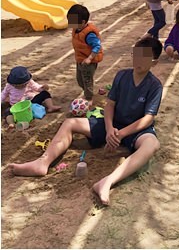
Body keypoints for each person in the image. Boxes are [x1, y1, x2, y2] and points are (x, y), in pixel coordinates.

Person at [9, 38, 165, 207]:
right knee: (70, 123)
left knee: (152, 144)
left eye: (145, 57)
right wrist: (110, 129)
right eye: (136, 55)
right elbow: (110, 105)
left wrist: (121, 134)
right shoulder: (122, 75)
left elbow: (148, 118)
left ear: (154, 62)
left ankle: (107, 181)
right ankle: (43, 162)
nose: (138, 60)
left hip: (135, 130)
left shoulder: (154, 86)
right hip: (113, 125)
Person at [67, 4, 104, 104]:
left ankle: (89, 98)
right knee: (79, 79)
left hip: (89, 61)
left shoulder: (89, 34)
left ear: (83, 22)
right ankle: (88, 91)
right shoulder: (77, 29)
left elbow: (97, 46)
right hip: (80, 59)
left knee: (87, 79)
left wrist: (89, 58)